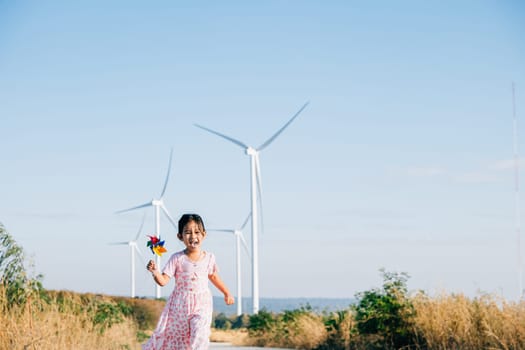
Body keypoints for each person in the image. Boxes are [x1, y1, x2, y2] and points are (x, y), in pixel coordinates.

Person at [143, 213, 235, 350]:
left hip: (202, 302)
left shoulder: (209, 258)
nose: (193, 236)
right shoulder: (177, 258)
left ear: (204, 234)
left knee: (200, 332)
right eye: (187, 232)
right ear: (180, 236)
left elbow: (214, 277)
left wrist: (227, 293)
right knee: (181, 338)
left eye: (197, 232)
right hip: (180, 305)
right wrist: (155, 271)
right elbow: (163, 281)